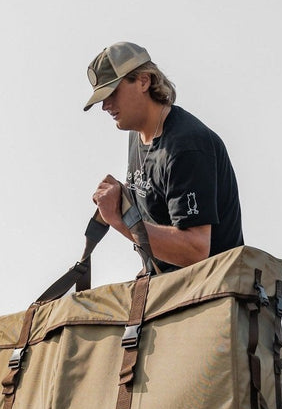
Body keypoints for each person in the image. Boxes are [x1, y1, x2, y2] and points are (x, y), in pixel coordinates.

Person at [85, 42, 243, 270]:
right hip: (170, 285)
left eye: (112, 92)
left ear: (144, 81)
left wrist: (121, 220)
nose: (105, 105)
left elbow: (196, 249)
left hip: (211, 289)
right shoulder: (138, 134)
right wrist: (123, 199)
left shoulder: (187, 146)